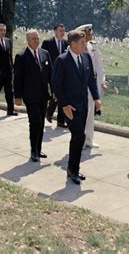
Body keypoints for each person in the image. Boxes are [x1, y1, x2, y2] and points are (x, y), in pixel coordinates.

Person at [52, 30, 101, 184]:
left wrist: (96, 98)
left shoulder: (86, 57)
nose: (85, 44)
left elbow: (91, 80)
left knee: (79, 137)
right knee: (78, 136)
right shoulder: (62, 60)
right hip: (70, 107)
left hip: (84, 104)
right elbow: (56, 85)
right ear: (72, 44)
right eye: (82, 42)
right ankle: (72, 170)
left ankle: (74, 169)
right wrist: (64, 105)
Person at [14, 29, 52, 162]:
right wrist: (17, 96)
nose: (37, 41)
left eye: (37, 38)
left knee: (41, 123)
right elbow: (17, 78)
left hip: (43, 95)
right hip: (30, 96)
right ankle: (33, 150)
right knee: (35, 122)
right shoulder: (21, 56)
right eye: (34, 39)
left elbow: (50, 75)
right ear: (28, 40)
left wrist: (55, 91)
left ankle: (39, 148)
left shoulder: (45, 53)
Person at [75, 24, 107, 149]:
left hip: (92, 83)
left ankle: (88, 139)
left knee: (90, 113)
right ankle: (80, 139)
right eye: (87, 33)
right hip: (81, 85)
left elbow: (98, 65)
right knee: (82, 113)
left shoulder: (92, 46)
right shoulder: (76, 47)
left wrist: (102, 81)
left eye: (90, 32)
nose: (90, 35)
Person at [41, 23, 67, 128]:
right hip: (51, 74)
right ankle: (49, 111)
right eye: (60, 30)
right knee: (55, 94)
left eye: (63, 31)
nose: (62, 32)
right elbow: (42, 56)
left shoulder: (66, 43)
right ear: (55, 31)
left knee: (62, 95)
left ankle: (60, 121)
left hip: (64, 74)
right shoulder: (47, 43)